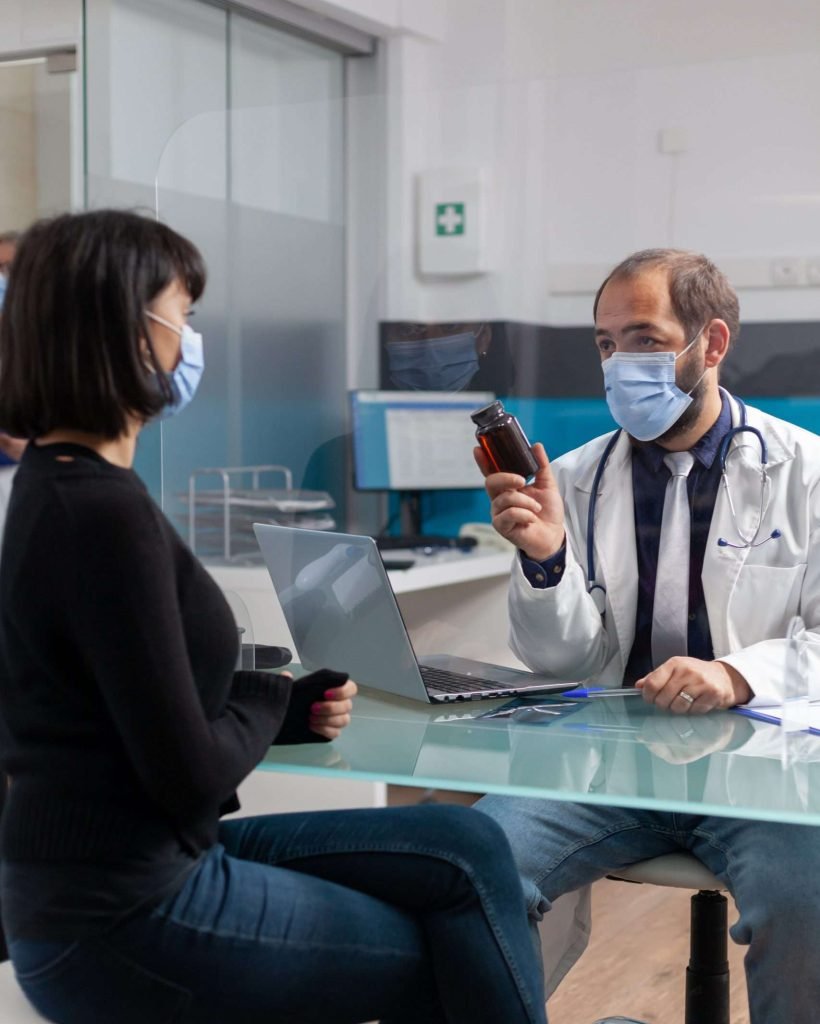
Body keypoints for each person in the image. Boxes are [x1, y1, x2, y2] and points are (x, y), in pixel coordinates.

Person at [0, 210, 551, 1024]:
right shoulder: (100, 514)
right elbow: (186, 772)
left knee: (468, 845)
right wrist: (265, 699)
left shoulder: (58, 485)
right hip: (125, 909)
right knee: (450, 942)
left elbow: (116, 706)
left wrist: (283, 710)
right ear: (126, 328)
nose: (190, 340)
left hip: (108, 872)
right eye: (182, 315)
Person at [475, 248, 820, 1024]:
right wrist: (544, 563)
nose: (619, 363)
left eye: (643, 338)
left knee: (810, 902)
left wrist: (736, 674)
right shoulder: (566, 480)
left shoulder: (807, 473)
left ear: (712, 344)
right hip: (605, 762)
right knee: (476, 863)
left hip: (761, 765)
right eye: (605, 344)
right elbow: (562, 661)